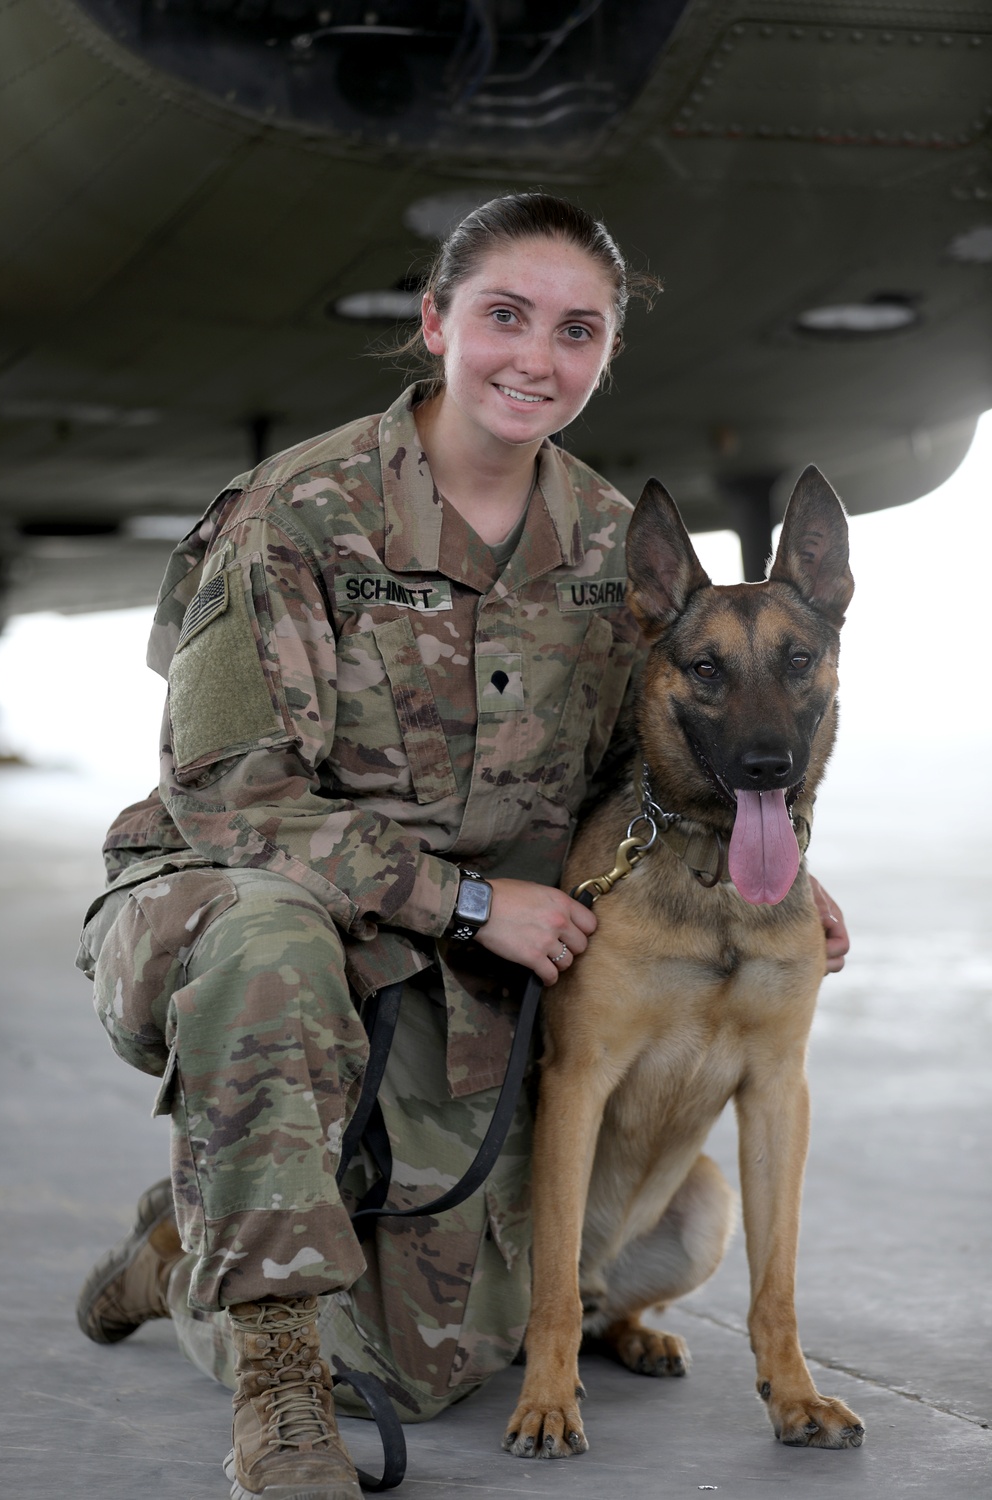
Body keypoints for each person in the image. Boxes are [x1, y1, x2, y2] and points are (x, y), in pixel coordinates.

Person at [75, 192, 849, 1500]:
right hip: (244, 903)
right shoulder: (296, 511)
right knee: (272, 948)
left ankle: (181, 1251)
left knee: (444, 1357)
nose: (535, 357)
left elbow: (652, 754)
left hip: (448, 949)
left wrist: (771, 858)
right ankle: (276, 1385)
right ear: (437, 322)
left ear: (604, 356)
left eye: (576, 331)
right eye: (504, 316)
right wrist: (472, 899)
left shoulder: (613, 548)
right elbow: (225, 793)